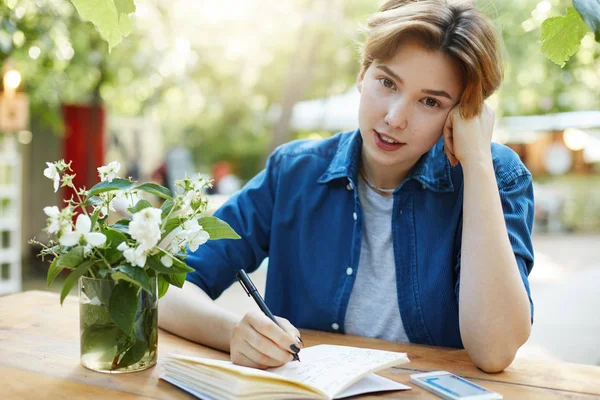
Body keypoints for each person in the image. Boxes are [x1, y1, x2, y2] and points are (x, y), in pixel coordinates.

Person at [159, 0, 534, 374]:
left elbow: (495, 350)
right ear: (362, 73)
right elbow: (164, 287)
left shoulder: (496, 176)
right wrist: (234, 333)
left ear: (462, 114)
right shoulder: (293, 171)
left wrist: (479, 163)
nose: (394, 118)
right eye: (387, 83)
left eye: (430, 102)